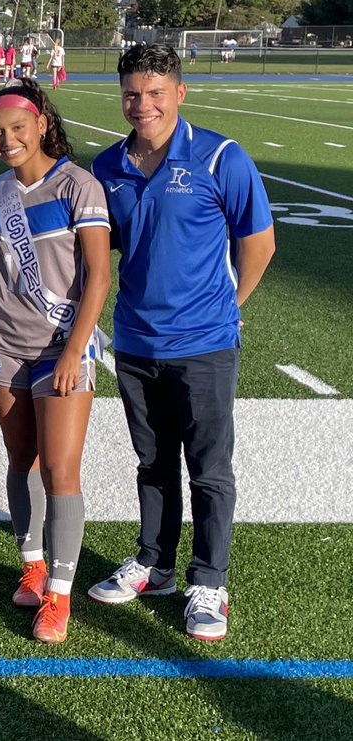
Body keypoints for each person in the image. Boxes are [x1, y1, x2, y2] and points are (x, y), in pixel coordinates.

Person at [87, 43, 275, 641]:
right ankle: (156, 563)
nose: (142, 105)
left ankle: (210, 580)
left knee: (209, 468)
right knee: (153, 461)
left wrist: (230, 306)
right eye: (132, 94)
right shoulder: (107, 166)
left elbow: (259, 242)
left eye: (155, 93)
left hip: (204, 343)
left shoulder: (221, 157)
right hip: (135, 341)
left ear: (179, 93)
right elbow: (100, 248)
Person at [0, 79, 112, 644]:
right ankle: (32, 565)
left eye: (17, 128)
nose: (7, 140)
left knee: (60, 469)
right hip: (3, 343)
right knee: (21, 458)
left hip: (61, 347)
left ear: (41, 124)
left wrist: (76, 348)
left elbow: (99, 276)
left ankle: (59, 594)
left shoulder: (78, 185)